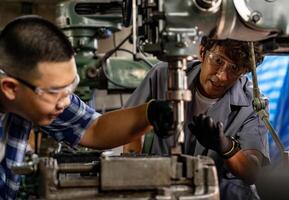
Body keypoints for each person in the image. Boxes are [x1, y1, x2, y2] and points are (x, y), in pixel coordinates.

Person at [0, 15, 172, 200]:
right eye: (56, 91)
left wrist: (148, 113)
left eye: (70, 87)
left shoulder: (32, 93)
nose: (65, 102)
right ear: (10, 88)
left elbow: (94, 128)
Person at [124, 36, 270, 200]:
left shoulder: (253, 104)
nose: (222, 76)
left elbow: (252, 172)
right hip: (161, 188)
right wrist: (134, 177)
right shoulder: (163, 75)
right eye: (218, 61)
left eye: (234, 68)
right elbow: (130, 127)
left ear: (244, 71)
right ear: (202, 53)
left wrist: (227, 147)